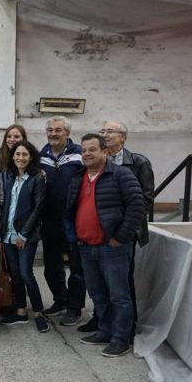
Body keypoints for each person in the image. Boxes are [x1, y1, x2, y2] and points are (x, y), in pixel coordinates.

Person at [65, 134, 144, 357]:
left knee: (119, 295)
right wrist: (73, 236)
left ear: (105, 152)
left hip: (113, 247)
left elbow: (137, 206)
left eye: (92, 149)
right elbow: (70, 210)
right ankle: (105, 331)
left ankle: (121, 339)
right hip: (86, 246)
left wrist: (120, 237)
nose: (87, 154)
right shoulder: (78, 177)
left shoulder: (121, 174)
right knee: (98, 294)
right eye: (84, 150)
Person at [78, 121, 155, 333]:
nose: (105, 134)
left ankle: (125, 330)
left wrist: (122, 233)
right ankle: (102, 323)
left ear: (123, 137)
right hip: (93, 238)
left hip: (121, 237)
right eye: (102, 131)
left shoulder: (137, 163)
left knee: (120, 286)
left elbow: (143, 201)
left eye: (110, 131)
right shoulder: (90, 168)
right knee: (98, 286)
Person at [0, 141, 49, 332]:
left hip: (25, 236)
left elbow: (38, 209)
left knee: (26, 274)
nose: (20, 158)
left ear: (31, 157)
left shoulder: (37, 178)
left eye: (25, 154)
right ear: (12, 157)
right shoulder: (11, 178)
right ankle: (20, 311)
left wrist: (24, 235)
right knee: (15, 274)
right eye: (17, 154)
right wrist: (0, 236)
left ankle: (39, 313)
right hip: (8, 235)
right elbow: (6, 208)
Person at [40, 116, 86, 327]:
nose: (53, 133)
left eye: (58, 130)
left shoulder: (79, 154)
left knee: (76, 266)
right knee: (51, 264)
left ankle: (74, 308)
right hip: (49, 218)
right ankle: (60, 300)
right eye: (50, 130)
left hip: (73, 218)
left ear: (67, 133)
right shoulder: (42, 155)